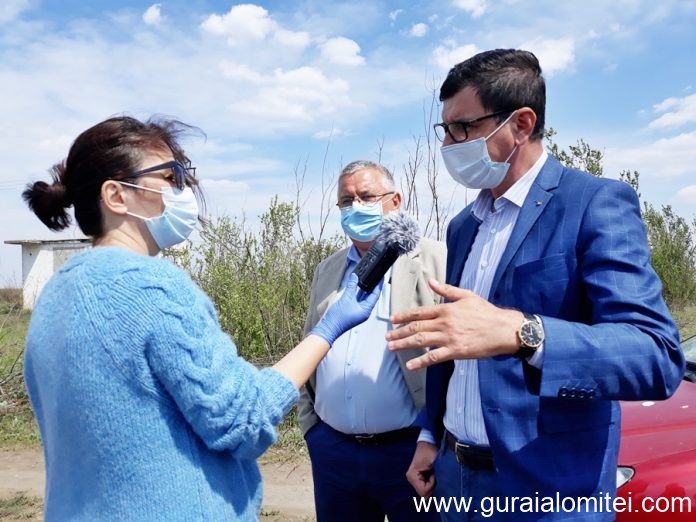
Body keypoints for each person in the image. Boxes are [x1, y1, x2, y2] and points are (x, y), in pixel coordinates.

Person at [21, 116, 382, 521]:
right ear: (117, 195)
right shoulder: (152, 288)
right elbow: (243, 419)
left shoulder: (55, 294)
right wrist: (329, 329)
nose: (183, 191)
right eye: (169, 177)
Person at [385, 49, 685, 521]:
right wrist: (430, 435)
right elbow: (458, 343)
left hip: (547, 489)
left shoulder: (593, 203)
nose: (448, 145)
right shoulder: (463, 226)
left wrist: (524, 333)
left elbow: (654, 356)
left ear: (521, 124)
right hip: (455, 478)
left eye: (462, 128)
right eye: (444, 130)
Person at [297, 160, 446, 522]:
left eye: (366, 196)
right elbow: (309, 341)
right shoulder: (328, 269)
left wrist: (432, 436)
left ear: (395, 201)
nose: (356, 207)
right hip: (334, 452)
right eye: (347, 201)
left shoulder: (436, 259)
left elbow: (456, 359)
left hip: (409, 451)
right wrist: (311, 429)